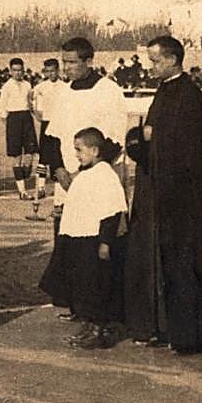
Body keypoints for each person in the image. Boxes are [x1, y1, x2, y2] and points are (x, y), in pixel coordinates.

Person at [122, 36, 202, 355]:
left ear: (173, 60)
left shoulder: (189, 96)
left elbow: (188, 150)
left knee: (195, 265)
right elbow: (152, 137)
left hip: (188, 200)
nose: (151, 67)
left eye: (156, 61)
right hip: (168, 195)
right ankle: (180, 331)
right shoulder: (165, 91)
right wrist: (141, 140)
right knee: (175, 267)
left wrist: (150, 139)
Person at [39, 128, 128, 348]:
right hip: (77, 238)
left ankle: (98, 329)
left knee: (94, 288)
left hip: (93, 240)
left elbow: (112, 211)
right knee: (81, 286)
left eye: (79, 150)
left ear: (95, 150)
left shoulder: (105, 174)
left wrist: (105, 243)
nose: (76, 155)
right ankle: (88, 325)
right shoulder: (86, 173)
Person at [44, 37, 127, 236]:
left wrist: (83, 173)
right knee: (66, 240)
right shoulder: (63, 92)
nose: (66, 68)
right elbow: (51, 137)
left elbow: (114, 140)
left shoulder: (108, 90)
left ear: (88, 62)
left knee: (98, 240)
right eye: (64, 62)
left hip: (97, 178)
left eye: (72, 62)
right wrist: (59, 169)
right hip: (66, 180)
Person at [0, 57, 38, 199]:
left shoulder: (28, 85)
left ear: (23, 71)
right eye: (14, 70)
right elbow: (2, 108)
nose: (17, 73)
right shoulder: (6, 87)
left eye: (20, 70)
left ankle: (25, 172)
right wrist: (8, 125)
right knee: (16, 156)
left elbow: (31, 102)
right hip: (13, 119)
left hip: (26, 118)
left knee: (30, 154)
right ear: (10, 71)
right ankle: (22, 191)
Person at [30, 58, 64, 202]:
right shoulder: (41, 86)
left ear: (58, 70)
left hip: (59, 124)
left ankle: (59, 191)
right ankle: (41, 188)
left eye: (53, 71)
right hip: (46, 123)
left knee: (58, 156)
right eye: (48, 71)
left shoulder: (65, 86)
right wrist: (36, 113)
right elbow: (30, 97)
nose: (51, 74)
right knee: (43, 157)